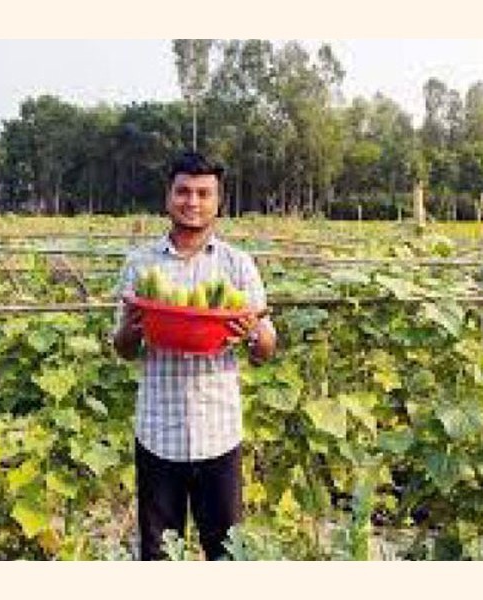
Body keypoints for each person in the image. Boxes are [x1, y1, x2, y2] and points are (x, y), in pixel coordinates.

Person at [112, 151, 277, 560]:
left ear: (218, 201)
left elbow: (265, 349)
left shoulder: (237, 265)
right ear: (168, 197)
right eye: (183, 191)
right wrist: (131, 330)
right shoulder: (140, 265)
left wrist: (254, 333)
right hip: (158, 432)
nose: (193, 202)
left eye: (204, 193)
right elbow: (124, 349)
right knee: (158, 555)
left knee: (225, 554)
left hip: (218, 431)